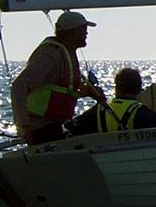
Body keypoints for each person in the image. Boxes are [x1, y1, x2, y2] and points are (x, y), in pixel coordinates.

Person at [11, 11, 106, 145]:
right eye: (83, 30)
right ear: (74, 32)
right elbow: (19, 86)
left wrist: (90, 92)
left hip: (57, 125)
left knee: (101, 113)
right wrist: (24, 127)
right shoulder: (49, 56)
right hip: (42, 128)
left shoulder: (67, 53)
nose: (86, 33)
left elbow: (65, 87)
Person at [73, 67, 156, 135]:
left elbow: (72, 128)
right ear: (139, 88)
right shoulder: (146, 114)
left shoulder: (98, 110)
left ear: (116, 87)